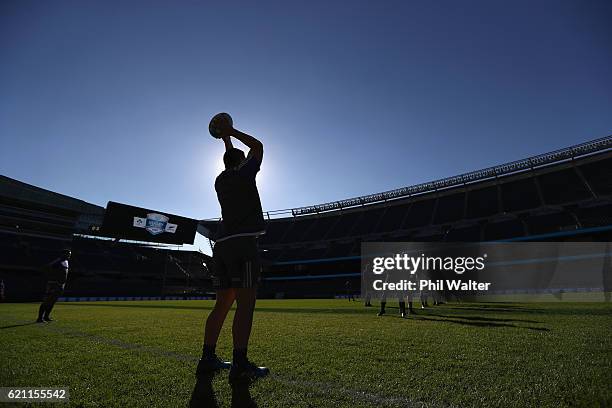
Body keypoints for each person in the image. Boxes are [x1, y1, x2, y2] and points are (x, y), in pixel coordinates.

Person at [196, 118, 270, 383]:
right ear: (242, 162)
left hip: (222, 247)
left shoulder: (221, 179)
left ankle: (207, 358)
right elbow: (258, 147)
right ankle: (239, 364)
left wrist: (226, 140)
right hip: (243, 246)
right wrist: (232, 132)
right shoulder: (244, 173)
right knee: (245, 305)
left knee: (222, 304)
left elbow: (231, 158)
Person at [37, 249, 71, 323]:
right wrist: (53, 279)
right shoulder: (58, 261)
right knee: (47, 301)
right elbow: (47, 268)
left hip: (60, 285)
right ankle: (39, 318)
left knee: (53, 301)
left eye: (69, 254)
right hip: (54, 284)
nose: (69, 256)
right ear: (63, 254)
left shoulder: (66, 262)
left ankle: (46, 317)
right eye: (68, 254)